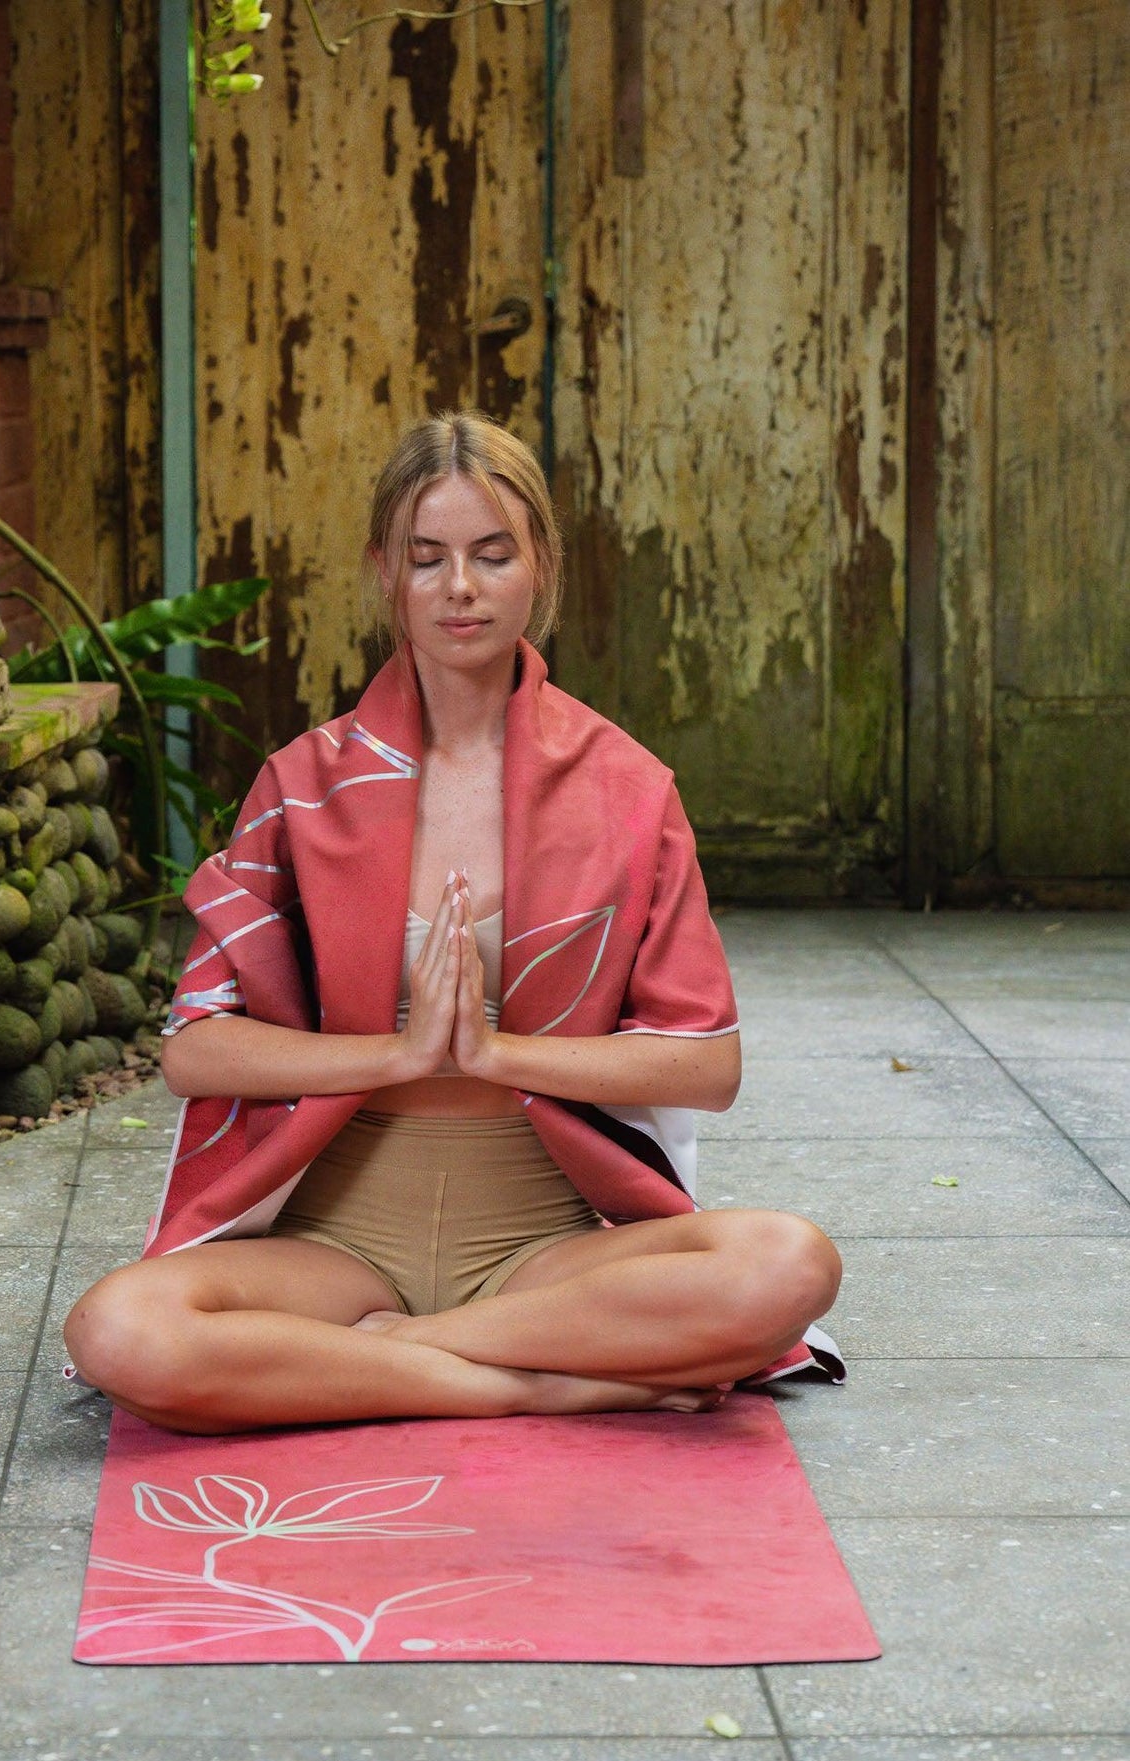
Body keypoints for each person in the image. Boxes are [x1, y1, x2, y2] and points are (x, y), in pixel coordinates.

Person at [65, 412, 841, 1433]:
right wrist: (398, 1054)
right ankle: (540, 1382)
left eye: (491, 554)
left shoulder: (625, 788)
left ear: (539, 564)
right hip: (333, 1238)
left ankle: (385, 1358)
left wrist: (490, 1051)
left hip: (546, 1239)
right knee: (119, 1330)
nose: (459, 587)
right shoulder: (305, 784)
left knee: (788, 1263)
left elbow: (705, 1064)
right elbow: (195, 1050)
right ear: (384, 571)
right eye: (426, 557)